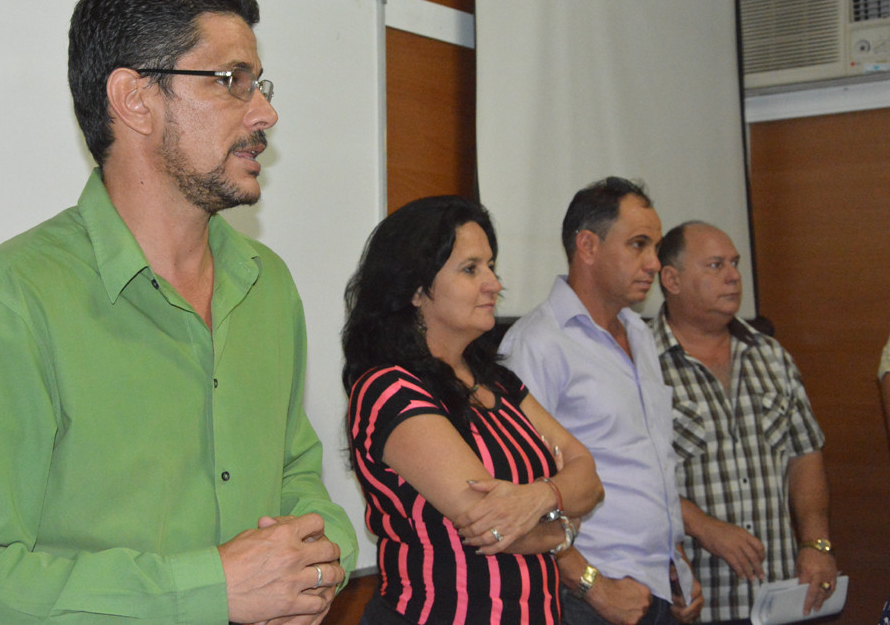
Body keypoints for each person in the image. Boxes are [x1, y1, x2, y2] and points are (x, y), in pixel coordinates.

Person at [0, 0, 356, 624]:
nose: (265, 112)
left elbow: (297, 472)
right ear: (135, 99)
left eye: (259, 85)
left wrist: (319, 558)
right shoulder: (5, 308)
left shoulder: (266, 287)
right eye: (231, 82)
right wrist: (207, 588)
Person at [343, 195, 604, 624]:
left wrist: (543, 495)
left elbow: (589, 478)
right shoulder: (390, 389)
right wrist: (564, 526)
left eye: (491, 266)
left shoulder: (499, 382)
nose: (494, 284)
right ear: (414, 289)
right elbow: (493, 528)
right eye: (471, 269)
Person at [499, 177, 703, 625]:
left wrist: (676, 560)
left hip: (658, 586)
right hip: (588, 598)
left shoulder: (640, 334)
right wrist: (590, 585)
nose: (654, 263)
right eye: (638, 245)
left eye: (657, 246)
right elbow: (519, 489)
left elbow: (650, 460)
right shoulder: (537, 344)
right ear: (587, 247)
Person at [652, 221, 837, 624]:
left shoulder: (771, 356)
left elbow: (805, 456)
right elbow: (629, 473)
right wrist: (703, 526)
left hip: (781, 597)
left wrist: (816, 543)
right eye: (715, 265)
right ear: (672, 279)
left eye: (734, 263)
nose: (734, 276)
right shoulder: (642, 364)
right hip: (696, 600)